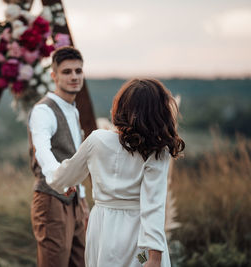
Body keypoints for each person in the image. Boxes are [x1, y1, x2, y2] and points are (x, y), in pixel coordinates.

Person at [47, 78, 185, 267]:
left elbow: (65, 175)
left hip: (102, 232)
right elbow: (154, 206)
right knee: (139, 262)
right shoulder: (158, 150)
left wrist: (65, 183)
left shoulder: (96, 139)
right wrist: (154, 257)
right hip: (139, 241)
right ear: (159, 114)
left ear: (120, 108)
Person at [28, 46, 89, 267]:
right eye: (66, 72)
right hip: (51, 200)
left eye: (78, 71)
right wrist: (58, 178)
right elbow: (42, 150)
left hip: (75, 201)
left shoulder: (73, 109)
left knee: (82, 262)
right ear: (54, 76)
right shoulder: (44, 111)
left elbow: (74, 155)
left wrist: (82, 199)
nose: (74, 76)